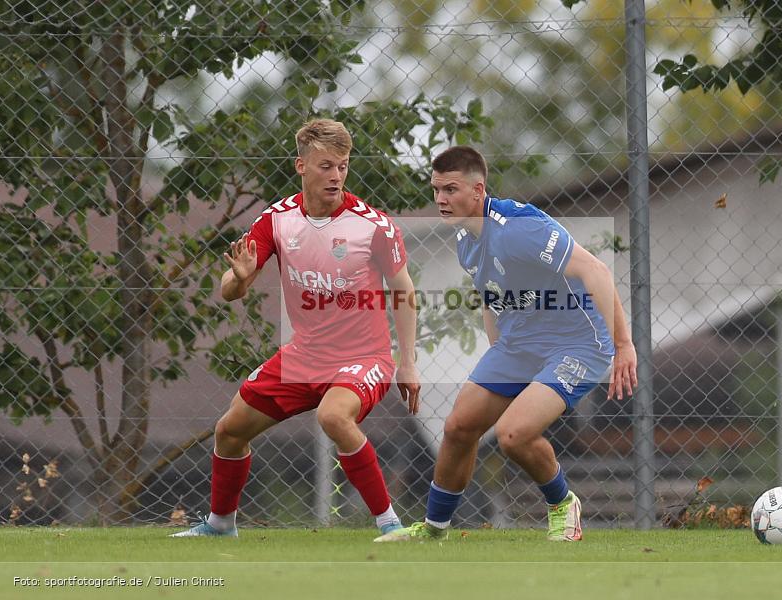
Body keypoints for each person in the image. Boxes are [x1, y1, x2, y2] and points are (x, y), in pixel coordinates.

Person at [172, 118, 421, 538]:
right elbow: (229, 290)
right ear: (301, 166)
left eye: (342, 165)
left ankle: (390, 524)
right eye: (326, 165)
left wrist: (407, 363)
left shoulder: (374, 226)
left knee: (334, 416)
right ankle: (219, 525)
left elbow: (404, 291)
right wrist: (241, 276)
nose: (336, 175)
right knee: (229, 431)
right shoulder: (277, 221)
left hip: (364, 358)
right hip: (304, 357)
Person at [375, 146, 637, 543]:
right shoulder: (466, 237)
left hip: (577, 344)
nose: (441, 200)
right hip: (519, 346)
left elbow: (594, 269)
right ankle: (434, 529)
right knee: (459, 426)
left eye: (450, 189)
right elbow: (490, 298)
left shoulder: (519, 227)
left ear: (478, 189)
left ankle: (563, 504)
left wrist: (624, 344)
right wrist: (500, 357)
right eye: (436, 190)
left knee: (514, 434)